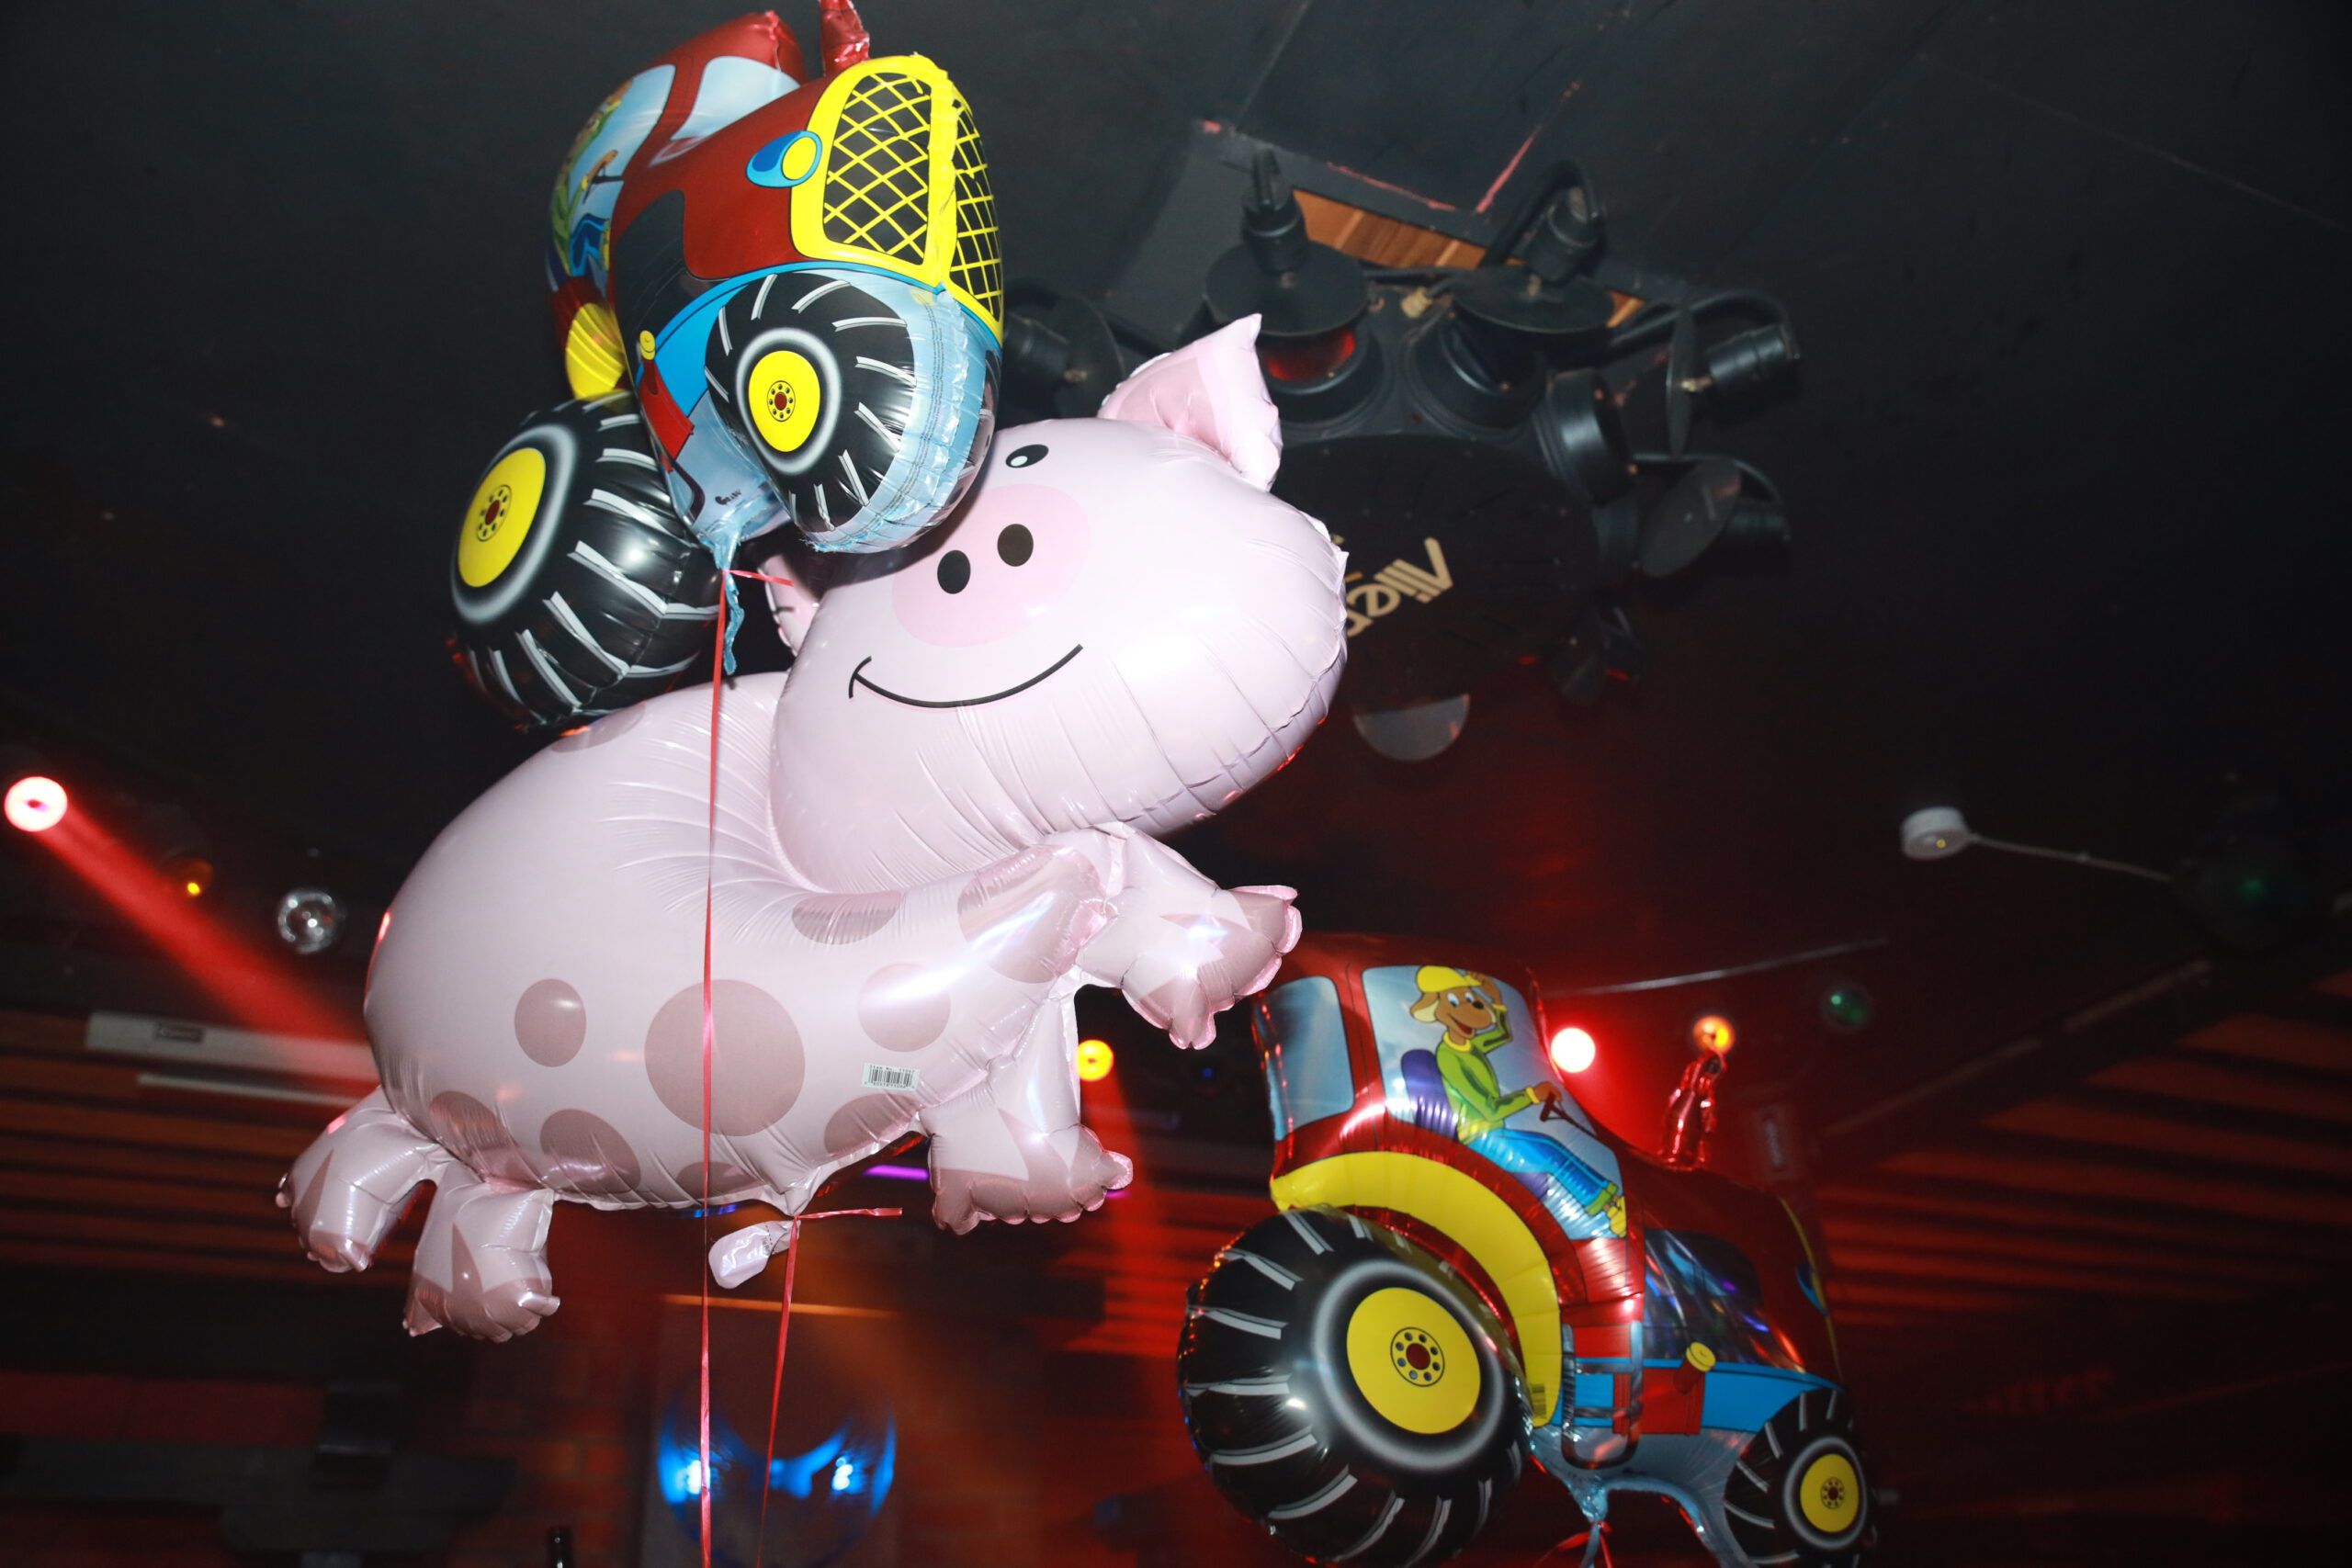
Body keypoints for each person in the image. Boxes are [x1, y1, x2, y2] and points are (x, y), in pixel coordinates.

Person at [1408, 965, 1625, 1238]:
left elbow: (1504, 1034)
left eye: (1470, 1000)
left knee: (1551, 1148)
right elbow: (1489, 1109)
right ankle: (1609, 1210)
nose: (1470, 1009)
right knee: (1549, 1152)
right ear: (1437, 1011)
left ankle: (1612, 1203)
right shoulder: (1449, 1056)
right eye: (1454, 1002)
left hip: (1494, 1132)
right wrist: (1533, 1094)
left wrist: (1497, 1001)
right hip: (1478, 1138)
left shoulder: (1471, 1047)